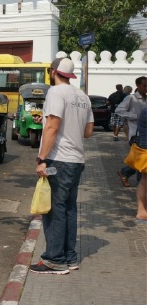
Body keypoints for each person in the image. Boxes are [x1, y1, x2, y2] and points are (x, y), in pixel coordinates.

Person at [30, 58, 93, 275]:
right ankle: (69, 257)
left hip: (59, 159)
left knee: (54, 210)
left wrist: (42, 158)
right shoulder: (83, 96)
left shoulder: (56, 92)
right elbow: (87, 132)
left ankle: (54, 260)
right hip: (77, 160)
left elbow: (53, 128)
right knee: (69, 209)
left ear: (53, 71)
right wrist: (46, 123)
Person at [115, 77, 147, 187]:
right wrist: (135, 116)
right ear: (138, 85)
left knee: (140, 158)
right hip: (135, 133)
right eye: (144, 86)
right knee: (141, 158)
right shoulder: (131, 98)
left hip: (145, 132)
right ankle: (141, 184)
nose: (146, 88)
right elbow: (119, 110)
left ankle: (125, 172)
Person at [132, 107, 147, 223]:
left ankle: (142, 211)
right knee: (144, 181)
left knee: (144, 180)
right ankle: (141, 211)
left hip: (144, 149)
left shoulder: (144, 109)